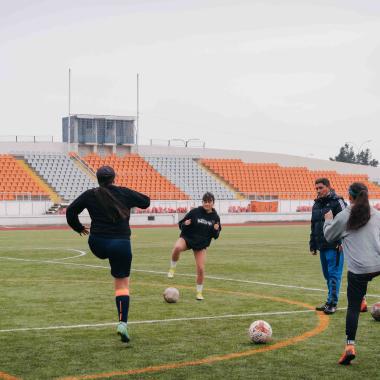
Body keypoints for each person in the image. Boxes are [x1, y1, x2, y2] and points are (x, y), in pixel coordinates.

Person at [66, 165, 150, 343]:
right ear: (114, 177)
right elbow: (146, 201)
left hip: (97, 244)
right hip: (120, 244)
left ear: (97, 179)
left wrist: (79, 228)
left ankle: (122, 322)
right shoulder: (123, 192)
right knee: (122, 284)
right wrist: (126, 196)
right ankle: (122, 323)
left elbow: (70, 211)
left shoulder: (90, 194)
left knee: (109, 257)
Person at [324, 182, 380, 365]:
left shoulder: (344, 216)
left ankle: (350, 346)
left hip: (359, 269)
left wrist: (327, 220)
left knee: (353, 308)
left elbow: (329, 236)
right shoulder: (377, 214)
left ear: (349, 196)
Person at [167, 192, 221, 300]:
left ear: (213, 203)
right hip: (188, 238)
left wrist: (215, 230)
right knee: (177, 247)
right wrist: (185, 224)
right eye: (205, 201)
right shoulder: (195, 212)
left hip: (201, 244)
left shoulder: (215, 217)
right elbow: (181, 224)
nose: (207, 204)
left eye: (209, 202)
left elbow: (215, 235)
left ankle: (199, 293)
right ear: (202, 202)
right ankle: (172, 268)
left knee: (201, 268)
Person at [309, 178, 347, 314]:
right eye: (316, 188)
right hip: (322, 246)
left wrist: (342, 241)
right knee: (327, 275)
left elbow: (347, 221)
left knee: (334, 275)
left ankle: (333, 303)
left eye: (320, 188)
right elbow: (314, 225)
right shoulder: (316, 204)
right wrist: (313, 244)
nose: (318, 191)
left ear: (328, 187)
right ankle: (329, 300)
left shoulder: (338, 202)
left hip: (335, 245)